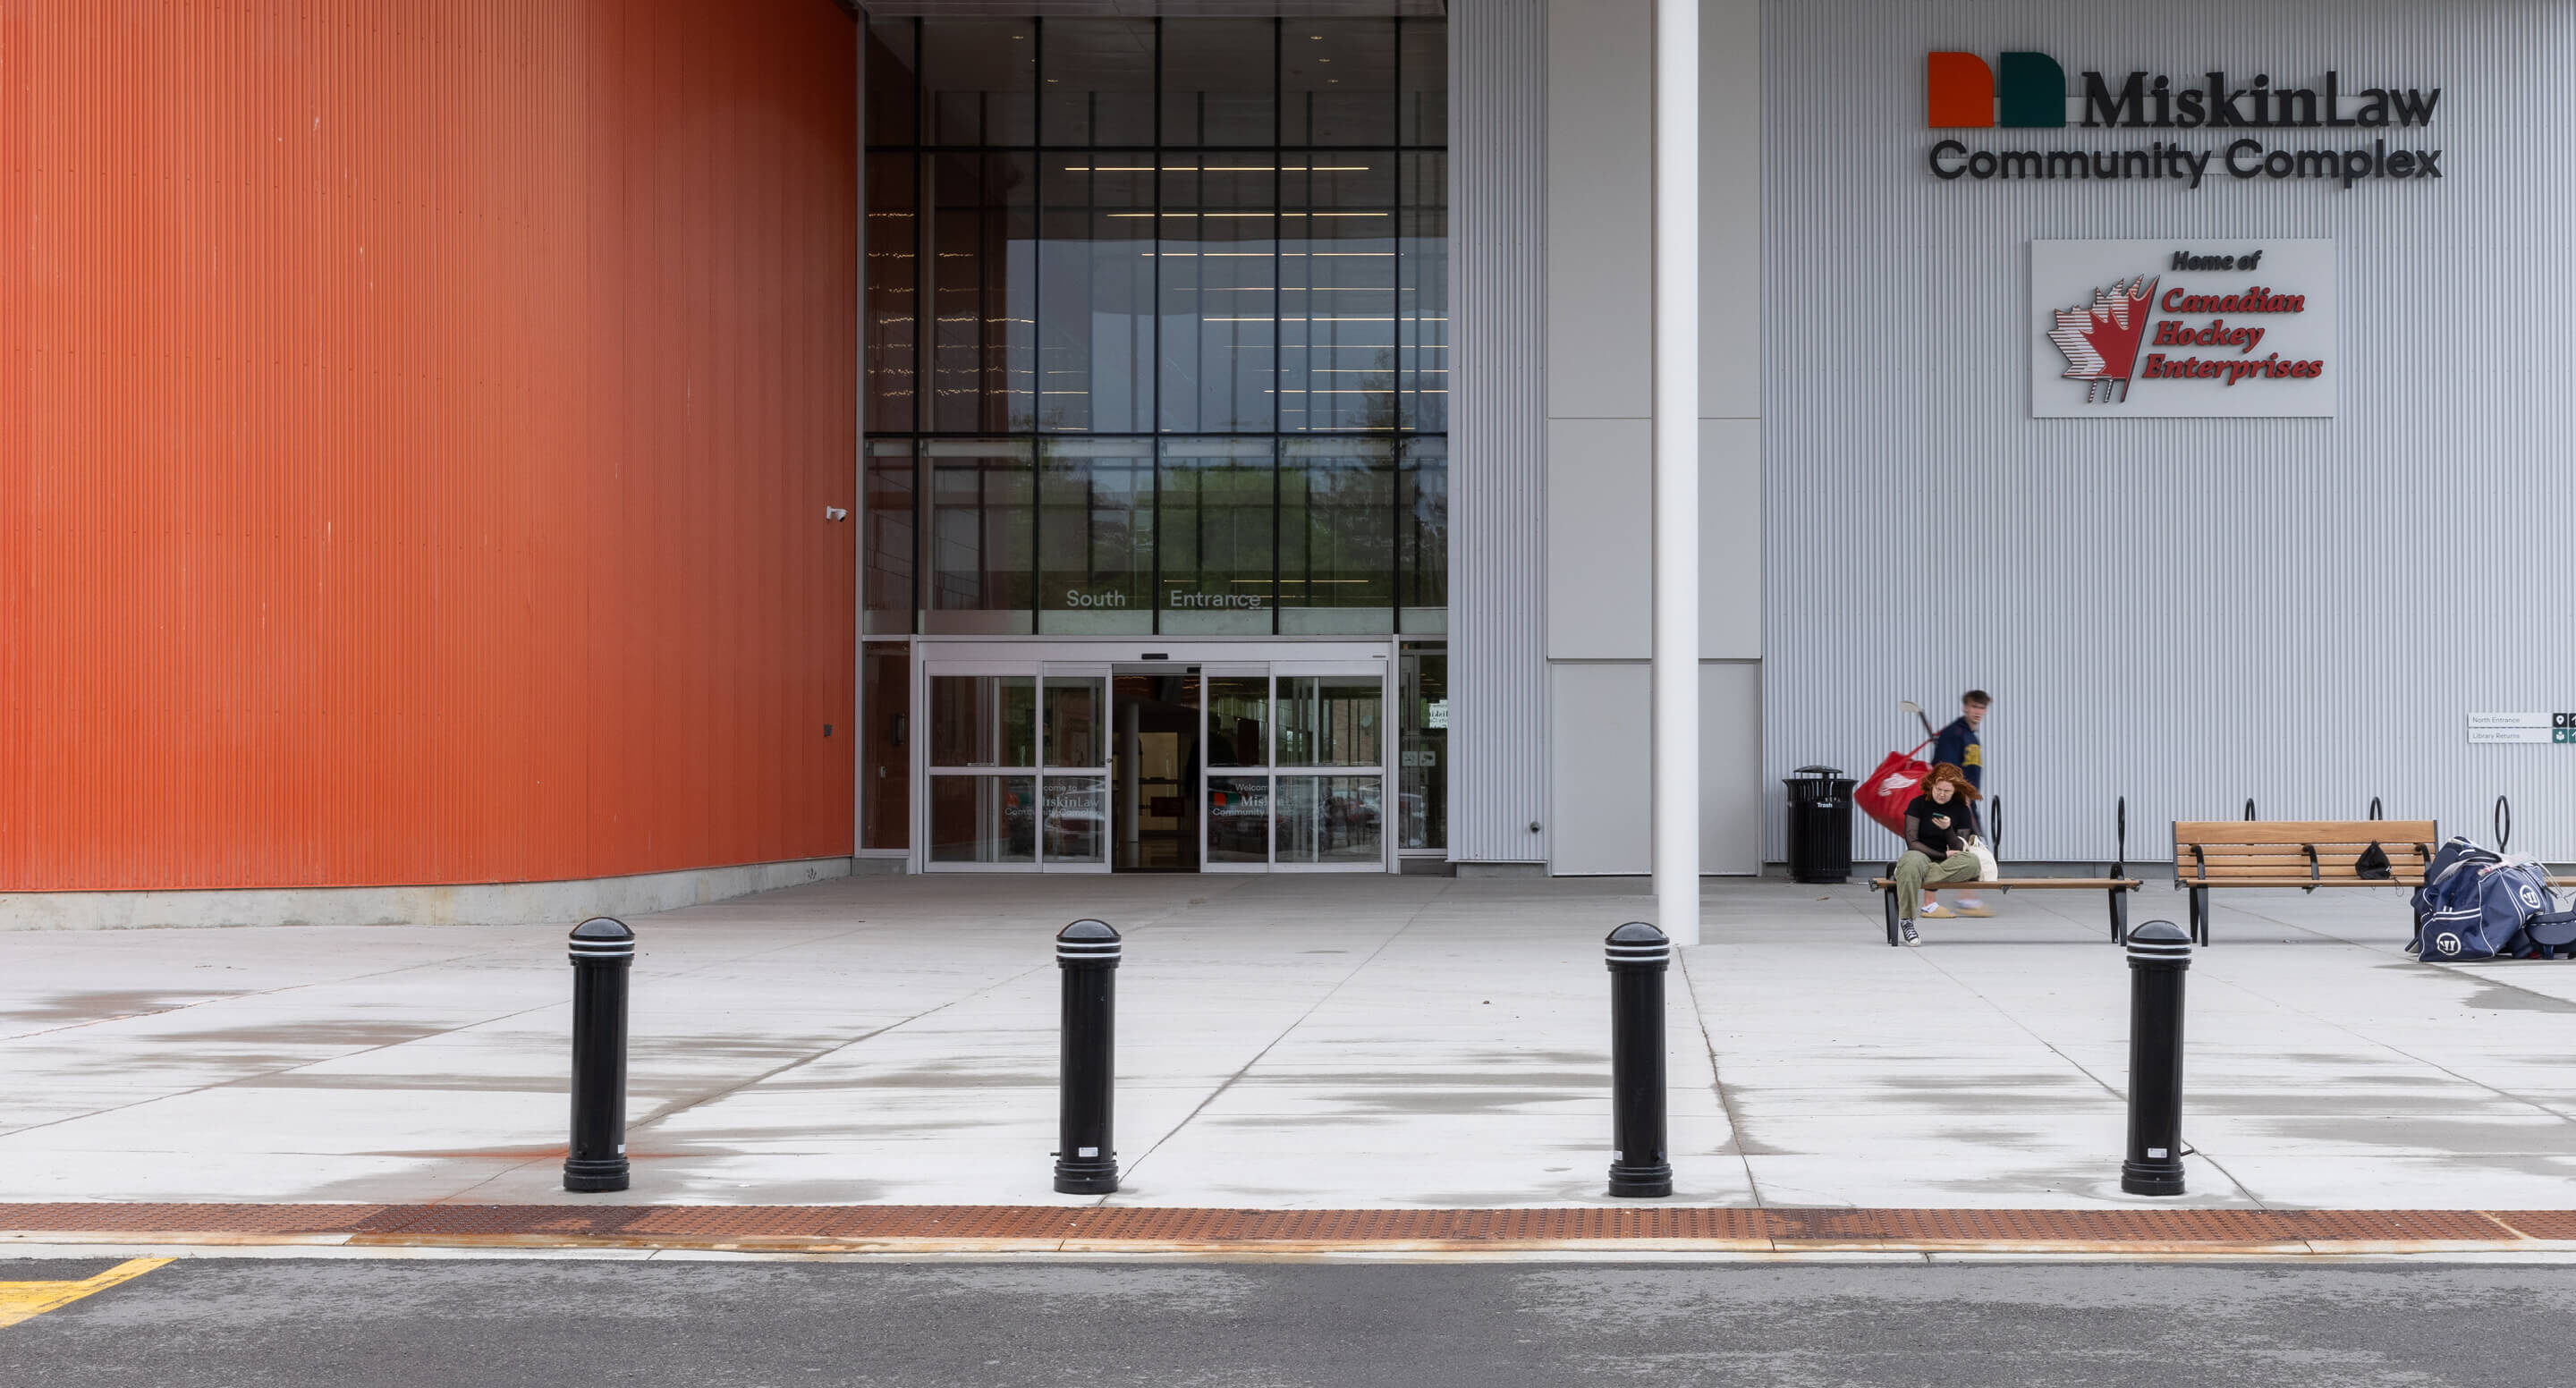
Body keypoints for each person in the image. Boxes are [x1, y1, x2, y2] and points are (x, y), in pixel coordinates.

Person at [1894, 764, 1982, 946]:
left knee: (1973, 862)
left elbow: (1960, 847)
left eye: (1947, 791)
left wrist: (1948, 829)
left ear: (1955, 790)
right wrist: (1942, 854)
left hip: (1949, 862)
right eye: (1938, 789)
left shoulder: (1961, 810)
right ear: (1931, 785)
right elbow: (1912, 841)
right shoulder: (1917, 804)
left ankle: (1908, 874)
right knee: (1911, 861)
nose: (1941, 794)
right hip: (1922, 854)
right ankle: (1907, 920)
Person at [1930, 690, 1992, 913]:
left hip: (1966, 802)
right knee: (1947, 848)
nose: (1978, 711)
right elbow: (1944, 770)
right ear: (1965, 706)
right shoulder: (1953, 733)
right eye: (1974, 706)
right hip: (1953, 801)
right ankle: (1933, 903)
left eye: (1982, 707)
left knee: (1966, 847)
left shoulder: (1970, 736)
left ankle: (1966, 896)